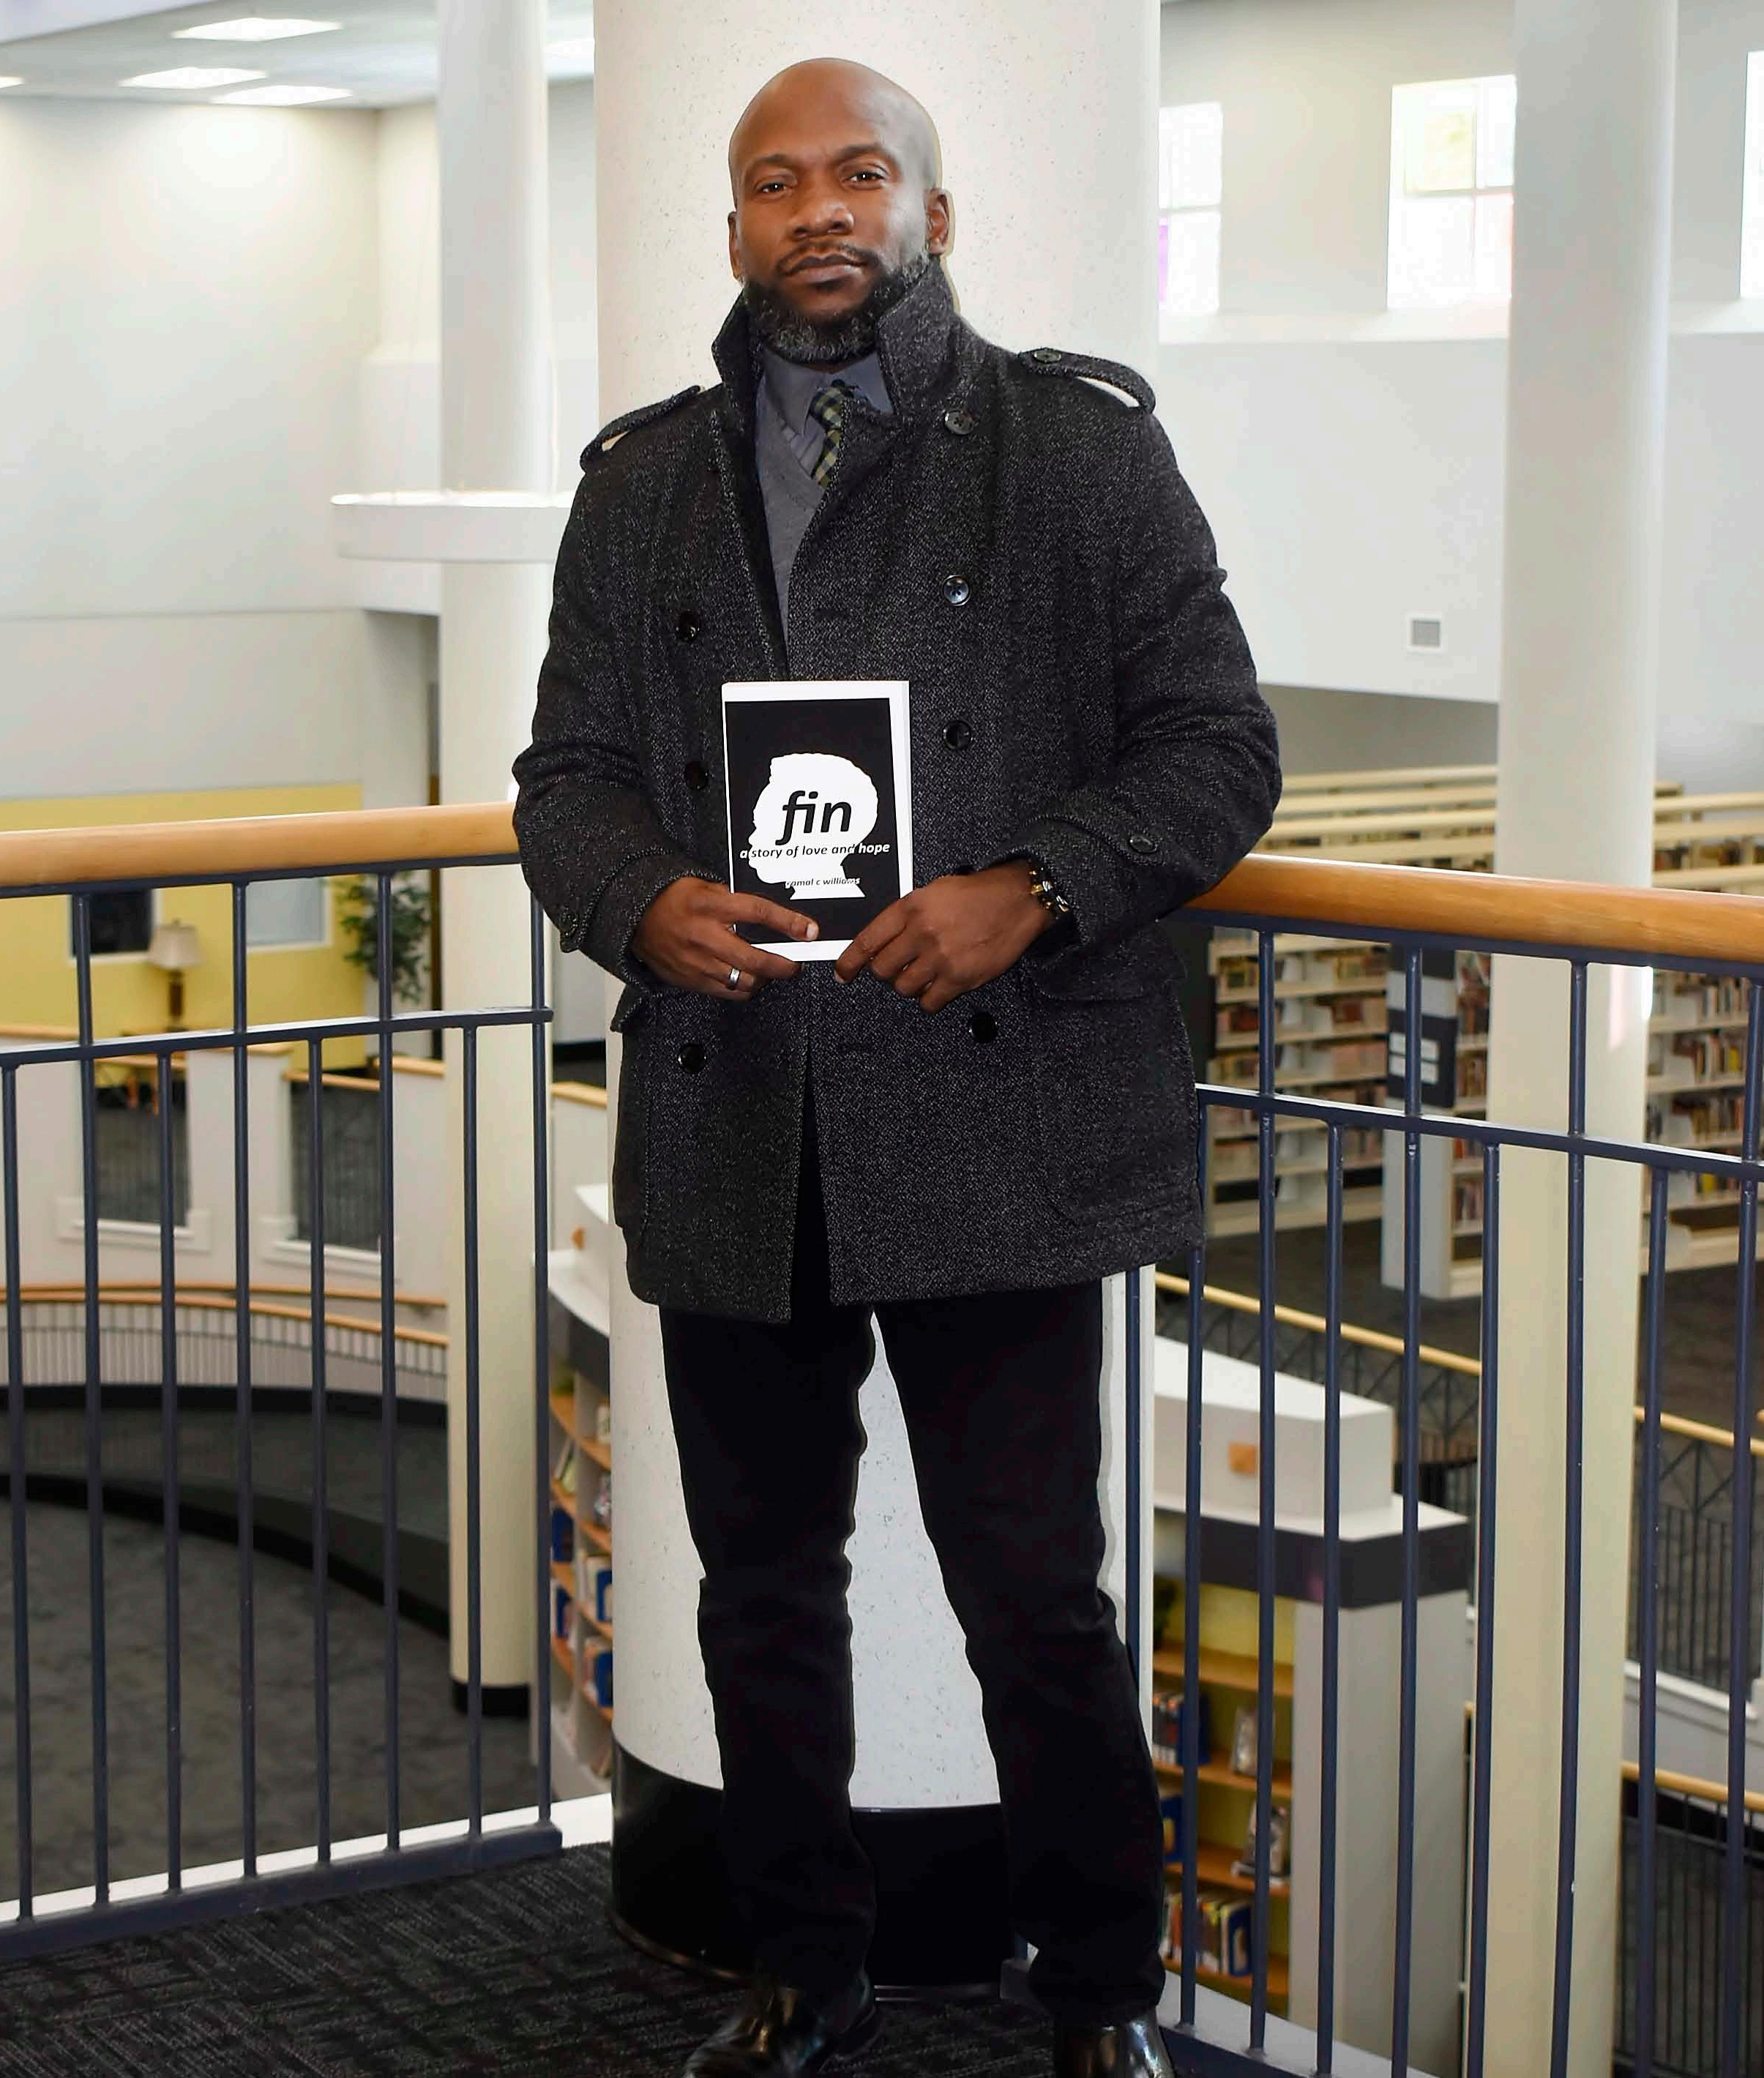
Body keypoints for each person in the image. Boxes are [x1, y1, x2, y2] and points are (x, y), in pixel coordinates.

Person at [512, 56, 1281, 2078]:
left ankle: (1099, 1994)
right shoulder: (639, 483)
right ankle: (804, 1971)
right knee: (760, 1595)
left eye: (861, 173)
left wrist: (1037, 887)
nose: (819, 210)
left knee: (1034, 1596)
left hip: (994, 1106)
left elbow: (1218, 746)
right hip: (735, 1108)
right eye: (776, 183)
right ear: (735, 227)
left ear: (936, 212)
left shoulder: (1076, 453)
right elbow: (565, 776)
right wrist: (636, 899)